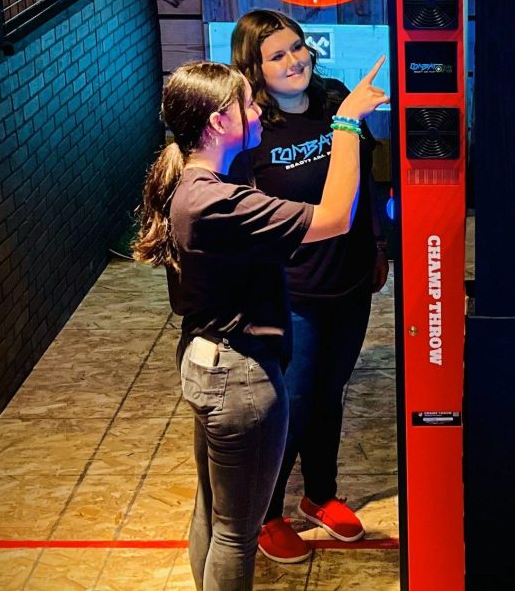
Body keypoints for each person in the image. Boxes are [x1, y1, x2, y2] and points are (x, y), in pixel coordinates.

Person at [132, 57, 386, 591]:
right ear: (218, 121)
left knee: (215, 515)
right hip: (238, 377)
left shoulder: (200, 185)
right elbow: (334, 216)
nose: (256, 109)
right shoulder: (217, 202)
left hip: (211, 362)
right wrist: (345, 123)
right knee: (234, 533)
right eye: (245, 102)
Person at [228, 10, 389, 565]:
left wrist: (378, 246)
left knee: (329, 394)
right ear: (253, 68)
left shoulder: (336, 102)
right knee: (290, 404)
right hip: (291, 294)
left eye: (297, 47)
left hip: (349, 282)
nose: (295, 60)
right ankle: (266, 513)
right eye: (277, 55)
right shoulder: (249, 132)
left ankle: (320, 495)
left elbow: (365, 182)